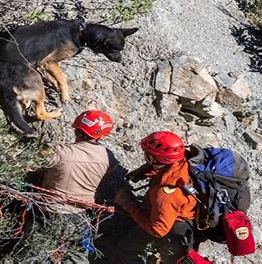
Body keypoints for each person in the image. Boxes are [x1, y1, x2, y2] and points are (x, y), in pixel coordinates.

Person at [40, 109, 118, 263]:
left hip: (49, 211)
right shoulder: (108, 157)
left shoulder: (61, 152)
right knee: (76, 256)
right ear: (101, 136)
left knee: (35, 250)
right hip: (80, 215)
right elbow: (111, 168)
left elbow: (40, 157)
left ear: (77, 129)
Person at [113, 131, 197, 263]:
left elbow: (158, 230)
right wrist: (147, 170)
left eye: (147, 155)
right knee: (128, 246)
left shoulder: (166, 194)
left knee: (126, 251)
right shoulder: (182, 160)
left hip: (174, 229)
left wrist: (128, 203)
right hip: (177, 215)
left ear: (154, 159)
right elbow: (167, 168)